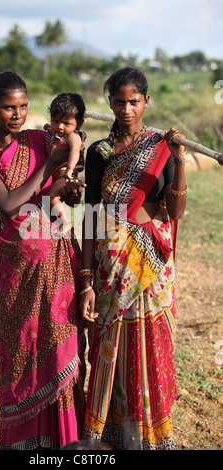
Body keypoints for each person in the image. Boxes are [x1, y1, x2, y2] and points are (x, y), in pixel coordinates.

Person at [0, 71, 86, 450]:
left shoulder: (40, 139)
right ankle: (26, 443)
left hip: (55, 257)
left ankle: (65, 441)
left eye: (23, 107)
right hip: (17, 264)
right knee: (23, 347)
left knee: (63, 344)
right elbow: (7, 204)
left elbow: (60, 185)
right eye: (7, 108)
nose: (17, 115)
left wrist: (69, 182)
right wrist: (49, 168)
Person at [80, 67, 187, 450]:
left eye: (134, 101)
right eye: (119, 101)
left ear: (146, 102)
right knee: (112, 349)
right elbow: (92, 215)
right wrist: (87, 281)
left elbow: (174, 212)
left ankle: (154, 437)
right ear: (109, 103)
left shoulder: (162, 146)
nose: (126, 109)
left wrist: (179, 159)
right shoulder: (100, 153)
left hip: (151, 266)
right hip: (112, 266)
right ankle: (111, 435)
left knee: (151, 350)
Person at [43, 93, 86, 233]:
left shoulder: (73, 136)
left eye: (66, 123)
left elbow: (75, 151)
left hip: (65, 177)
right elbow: (56, 131)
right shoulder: (61, 133)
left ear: (78, 123)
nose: (60, 127)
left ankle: (66, 222)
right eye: (56, 121)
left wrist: (69, 170)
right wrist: (50, 127)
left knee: (51, 197)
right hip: (58, 176)